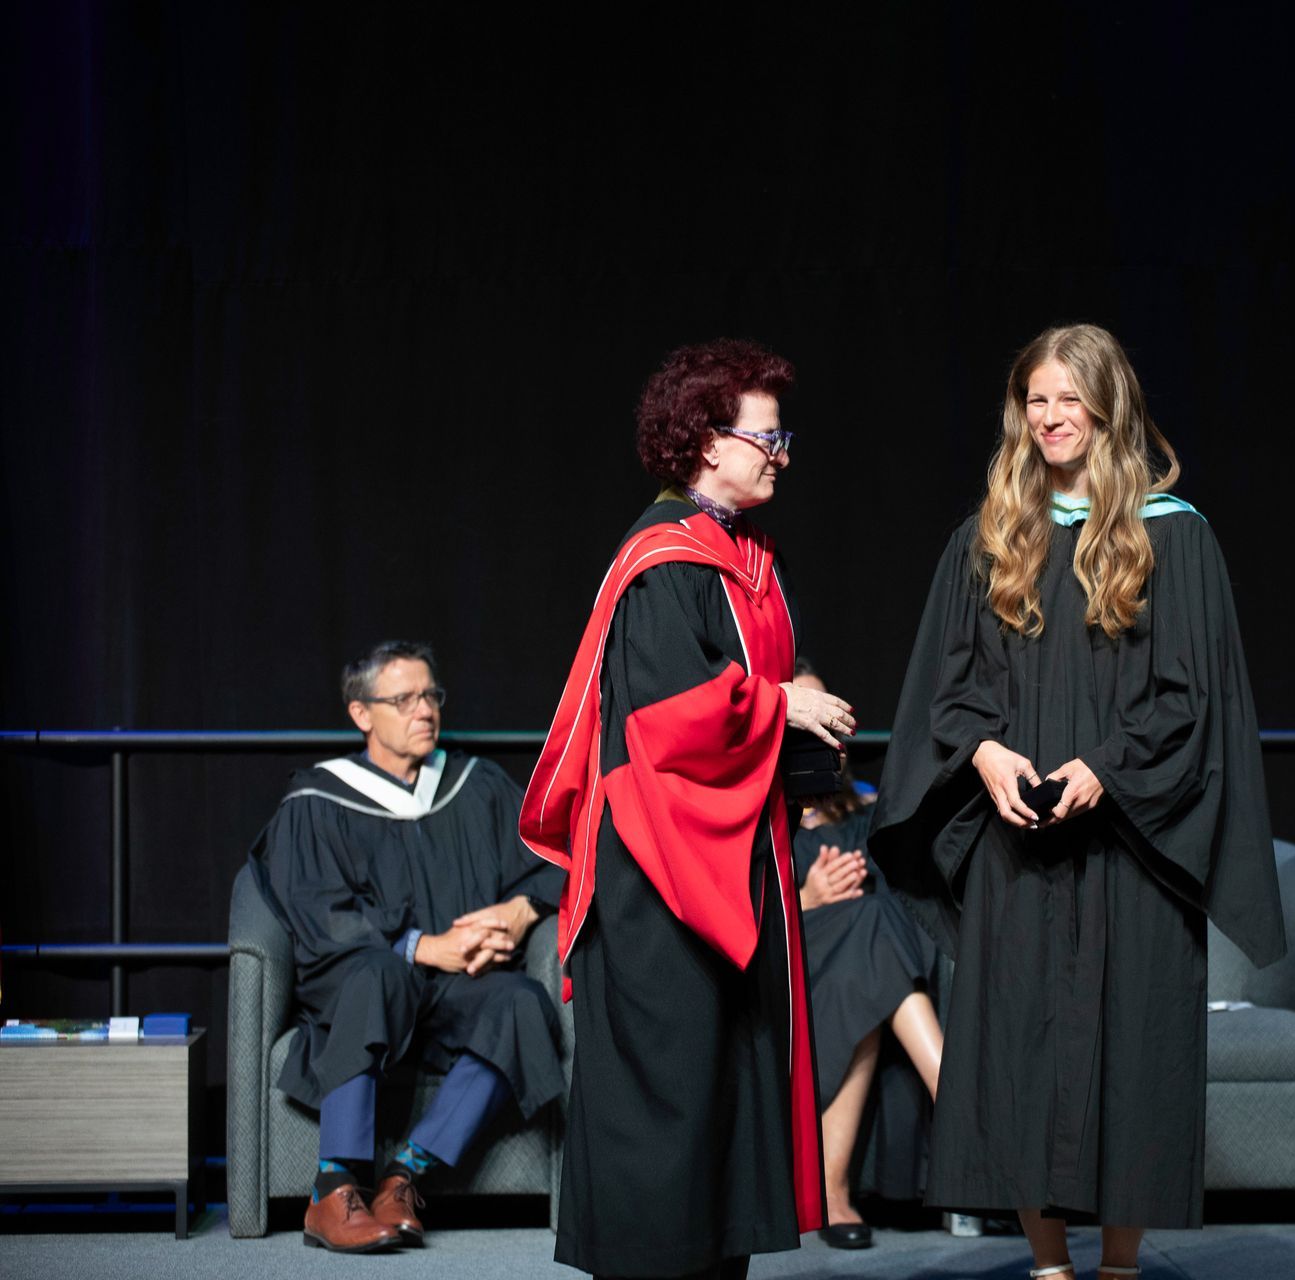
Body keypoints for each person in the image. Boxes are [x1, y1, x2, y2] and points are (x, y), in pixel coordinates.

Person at [871, 323, 1286, 1280]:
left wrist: (1105, 765)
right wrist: (984, 756)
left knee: (1132, 1050)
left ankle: (1120, 1266)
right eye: (1036, 399)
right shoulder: (987, 537)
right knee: (1019, 1051)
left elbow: (1192, 698)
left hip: (1130, 845)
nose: (1051, 417)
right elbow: (950, 686)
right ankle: (1051, 1267)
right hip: (1017, 845)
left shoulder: (1172, 535)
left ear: (1109, 408)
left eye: (1070, 398)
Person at [521, 339, 847, 1279]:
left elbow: (765, 681)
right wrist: (781, 703)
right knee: (665, 1102)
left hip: (730, 867)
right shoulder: (665, 560)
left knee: (723, 1097)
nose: (781, 451)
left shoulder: (742, 555)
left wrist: (799, 697)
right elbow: (667, 725)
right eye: (765, 435)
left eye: (783, 434)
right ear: (706, 441)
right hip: (661, 883)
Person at [249, 640, 566, 1253]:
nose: (425, 711)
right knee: (377, 976)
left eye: (430, 695)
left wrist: (520, 910)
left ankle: (406, 1176)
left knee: (522, 1004)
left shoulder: (477, 787)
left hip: (457, 987)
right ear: (362, 713)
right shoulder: (318, 802)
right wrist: (425, 947)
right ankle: (333, 1189)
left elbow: (548, 862)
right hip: (371, 979)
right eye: (404, 699)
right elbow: (319, 915)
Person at [788, 663, 944, 1250]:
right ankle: (953, 1091)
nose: (820, 725)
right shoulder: (762, 823)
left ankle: (833, 1190)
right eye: (804, 713)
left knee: (873, 937)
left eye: (829, 713)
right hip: (797, 975)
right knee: (870, 939)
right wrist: (805, 900)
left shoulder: (866, 814)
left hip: (861, 975)